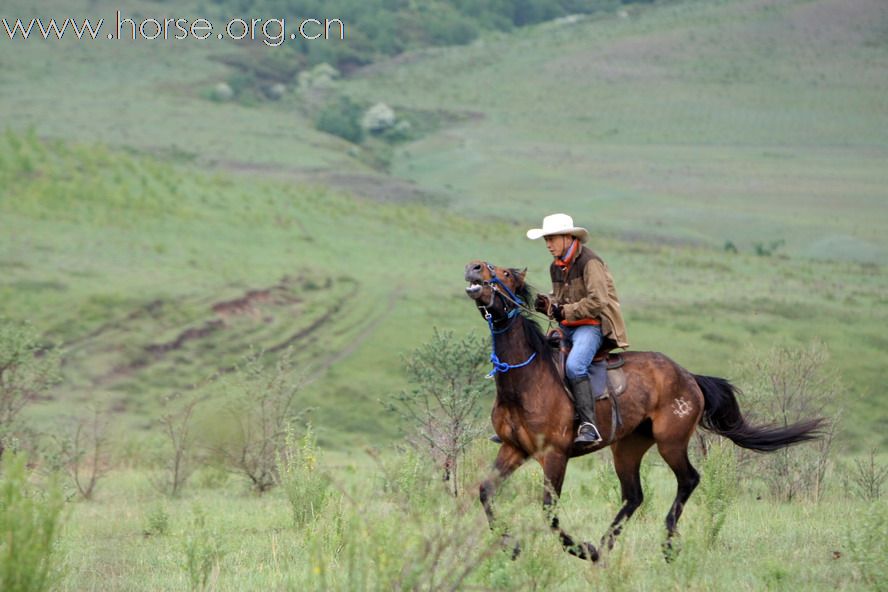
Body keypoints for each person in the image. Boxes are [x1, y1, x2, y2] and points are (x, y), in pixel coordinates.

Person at [527, 213, 629, 444]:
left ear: (567, 237)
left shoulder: (590, 262)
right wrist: (549, 305)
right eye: (546, 240)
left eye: (552, 239)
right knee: (537, 359)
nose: (548, 245)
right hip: (569, 326)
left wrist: (564, 312)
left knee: (574, 366)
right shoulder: (556, 267)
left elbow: (598, 301)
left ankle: (589, 426)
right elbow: (561, 298)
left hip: (591, 327)